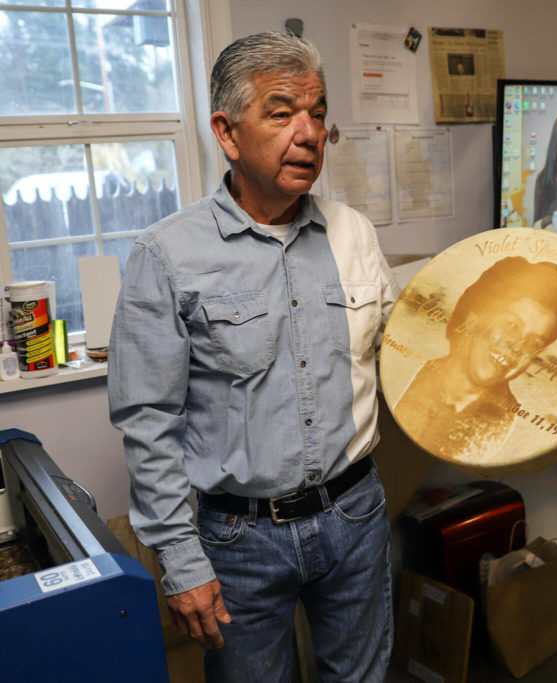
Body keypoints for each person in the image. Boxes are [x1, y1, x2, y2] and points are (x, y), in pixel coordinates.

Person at [108, 32, 399, 682]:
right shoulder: (167, 255)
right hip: (240, 539)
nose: (309, 133)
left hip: (355, 514)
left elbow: (404, 351)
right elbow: (147, 422)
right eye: (281, 112)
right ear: (227, 131)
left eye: (318, 114)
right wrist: (181, 562)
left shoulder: (353, 233)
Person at [394, 256, 557, 462]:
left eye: (534, 343)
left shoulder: (515, 428)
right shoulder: (402, 373)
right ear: (474, 318)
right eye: (512, 325)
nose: (517, 346)